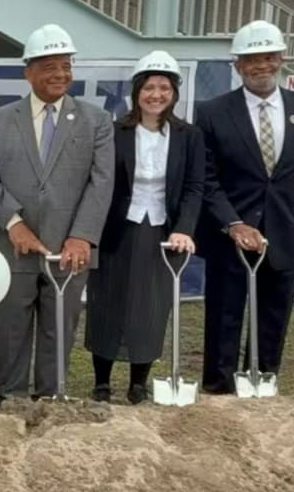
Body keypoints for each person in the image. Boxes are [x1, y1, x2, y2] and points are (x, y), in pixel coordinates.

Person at [0, 24, 114, 405]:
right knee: (9, 327)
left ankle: (51, 399)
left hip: (69, 248)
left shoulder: (95, 121)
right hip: (13, 247)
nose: (60, 75)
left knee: (59, 327)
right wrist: (14, 223)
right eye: (50, 66)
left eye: (66, 66)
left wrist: (82, 236)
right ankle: (7, 398)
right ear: (29, 72)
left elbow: (102, 182)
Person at [195, 20, 294, 395]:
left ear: (282, 58)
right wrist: (233, 223)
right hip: (231, 237)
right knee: (223, 318)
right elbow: (206, 180)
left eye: (268, 57)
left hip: (288, 234)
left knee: (274, 320)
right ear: (238, 66)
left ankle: (262, 386)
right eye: (251, 60)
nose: (261, 66)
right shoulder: (212, 112)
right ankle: (218, 392)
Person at [84, 51, 204, 404]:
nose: (156, 95)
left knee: (151, 307)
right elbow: (99, 180)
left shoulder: (189, 136)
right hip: (116, 229)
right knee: (108, 302)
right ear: (137, 91)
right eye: (149, 87)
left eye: (164, 88)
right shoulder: (114, 131)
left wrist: (184, 228)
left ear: (174, 93)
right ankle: (101, 381)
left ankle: (139, 382)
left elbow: (195, 187)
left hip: (163, 233)